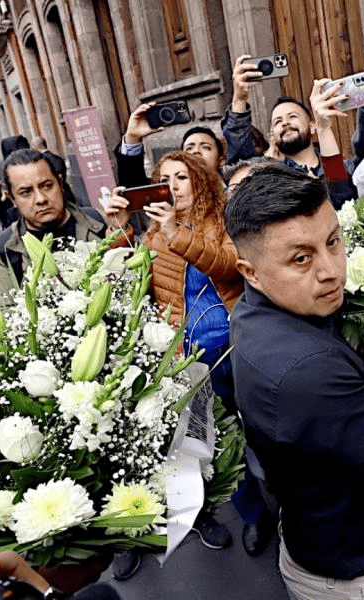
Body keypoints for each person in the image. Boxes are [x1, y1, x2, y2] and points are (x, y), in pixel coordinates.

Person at [226, 163, 364, 599]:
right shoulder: (307, 373)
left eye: (333, 241)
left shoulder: (259, 310)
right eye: (301, 259)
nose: (332, 271)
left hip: (318, 532)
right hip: (358, 574)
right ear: (249, 271)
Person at [105, 150, 243, 553]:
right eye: (165, 179)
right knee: (199, 441)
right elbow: (122, 276)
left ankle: (260, 513)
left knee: (254, 431)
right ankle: (206, 515)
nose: (173, 186)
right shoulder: (151, 235)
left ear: (198, 180)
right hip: (188, 355)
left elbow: (231, 265)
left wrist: (177, 232)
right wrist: (117, 227)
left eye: (182, 177)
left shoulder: (221, 221)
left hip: (235, 344)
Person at [0, 149, 129, 307]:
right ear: (12, 198)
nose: (41, 199)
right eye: (26, 192)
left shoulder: (100, 223)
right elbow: (2, 315)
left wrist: (120, 230)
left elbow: (135, 279)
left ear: (60, 183)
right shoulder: (2, 250)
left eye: (46, 186)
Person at [221, 57, 356, 207]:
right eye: (278, 122)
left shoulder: (344, 166)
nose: (285, 122)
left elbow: (342, 200)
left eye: (293, 116)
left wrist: (324, 128)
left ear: (312, 126)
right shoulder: (270, 176)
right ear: (272, 136)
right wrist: (239, 100)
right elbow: (239, 166)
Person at [114, 101, 226, 188]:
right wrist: (133, 137)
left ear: (221, 160)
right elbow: (133, 186)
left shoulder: (237, 192)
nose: (196, 151)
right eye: (189, 148)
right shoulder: (171, 193)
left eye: (206, 147)